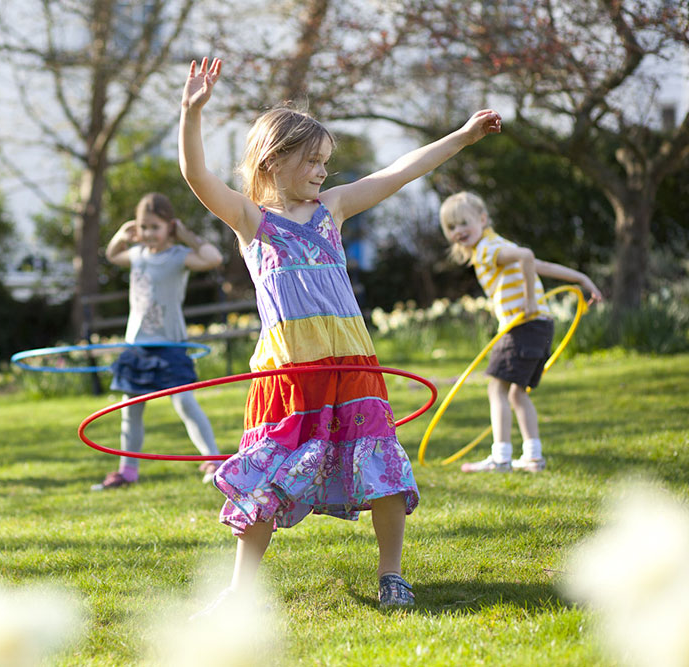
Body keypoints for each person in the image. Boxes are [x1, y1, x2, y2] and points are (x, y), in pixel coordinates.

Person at [179, 57, 501, 609]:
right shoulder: (252, 221)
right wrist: (192, 114)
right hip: (289, 373)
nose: (323, 171)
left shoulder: (332, 209)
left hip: (352, 365)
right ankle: (241, 588)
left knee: (380, 462)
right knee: (266, 474)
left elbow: (399, 172)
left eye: (327, 161)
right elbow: (196, 177)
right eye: (312, 161)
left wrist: (463, 137)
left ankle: (392, 575)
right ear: (274, 159)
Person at [439, 191, 602, 474]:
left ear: (483, 219)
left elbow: (527, 256)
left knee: (496, 388)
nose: (458, 231)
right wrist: (581, 278)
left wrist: (528, 301)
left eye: (464, 223)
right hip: (540, 326)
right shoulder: (497, 245)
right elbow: (538, 264)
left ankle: (501, 458)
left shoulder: (489, 249)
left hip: (523, 325)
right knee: (516, 393)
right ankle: (533, 456)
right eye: (451, 227)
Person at [92, 192, 224, 490]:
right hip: (137, 345)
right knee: (130, 411)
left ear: (169, 226)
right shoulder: (137, 254)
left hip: (170, 345)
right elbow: (113, 254)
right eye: (143, 227)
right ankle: (128, 471)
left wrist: (185, 235)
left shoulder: (178, 256)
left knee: (185, 403)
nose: (148, 233)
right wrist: (121, 234)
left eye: (155, 226)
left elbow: (213, 258)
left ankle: (214, 461)